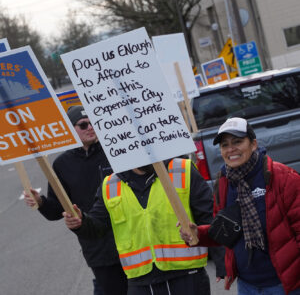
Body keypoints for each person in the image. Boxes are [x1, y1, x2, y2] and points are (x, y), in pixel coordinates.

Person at [63, 158, 226, 295]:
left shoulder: (181, 169)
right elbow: (96, 228)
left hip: (187, 276)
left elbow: (208, 217)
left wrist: (222, 259)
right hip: (140, 283)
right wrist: (81, 223)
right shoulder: (110, 185)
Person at [179, 117, 300, 295]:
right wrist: (198, 233)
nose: (231, 149)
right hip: (247, 285)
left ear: (253, 144)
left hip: (286, 285)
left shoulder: (283, 177)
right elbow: (225, 232)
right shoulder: (223, 183)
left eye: (237, 142)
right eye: (225, 145)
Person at [24, 105, 127, 295]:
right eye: (83, 124)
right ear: (71, 130)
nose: (90, 127)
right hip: (99, 249)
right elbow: (57, 210)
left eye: (92, 123)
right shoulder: (62, 164)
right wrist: (41, 202)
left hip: (133, 240)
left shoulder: (115, 150)